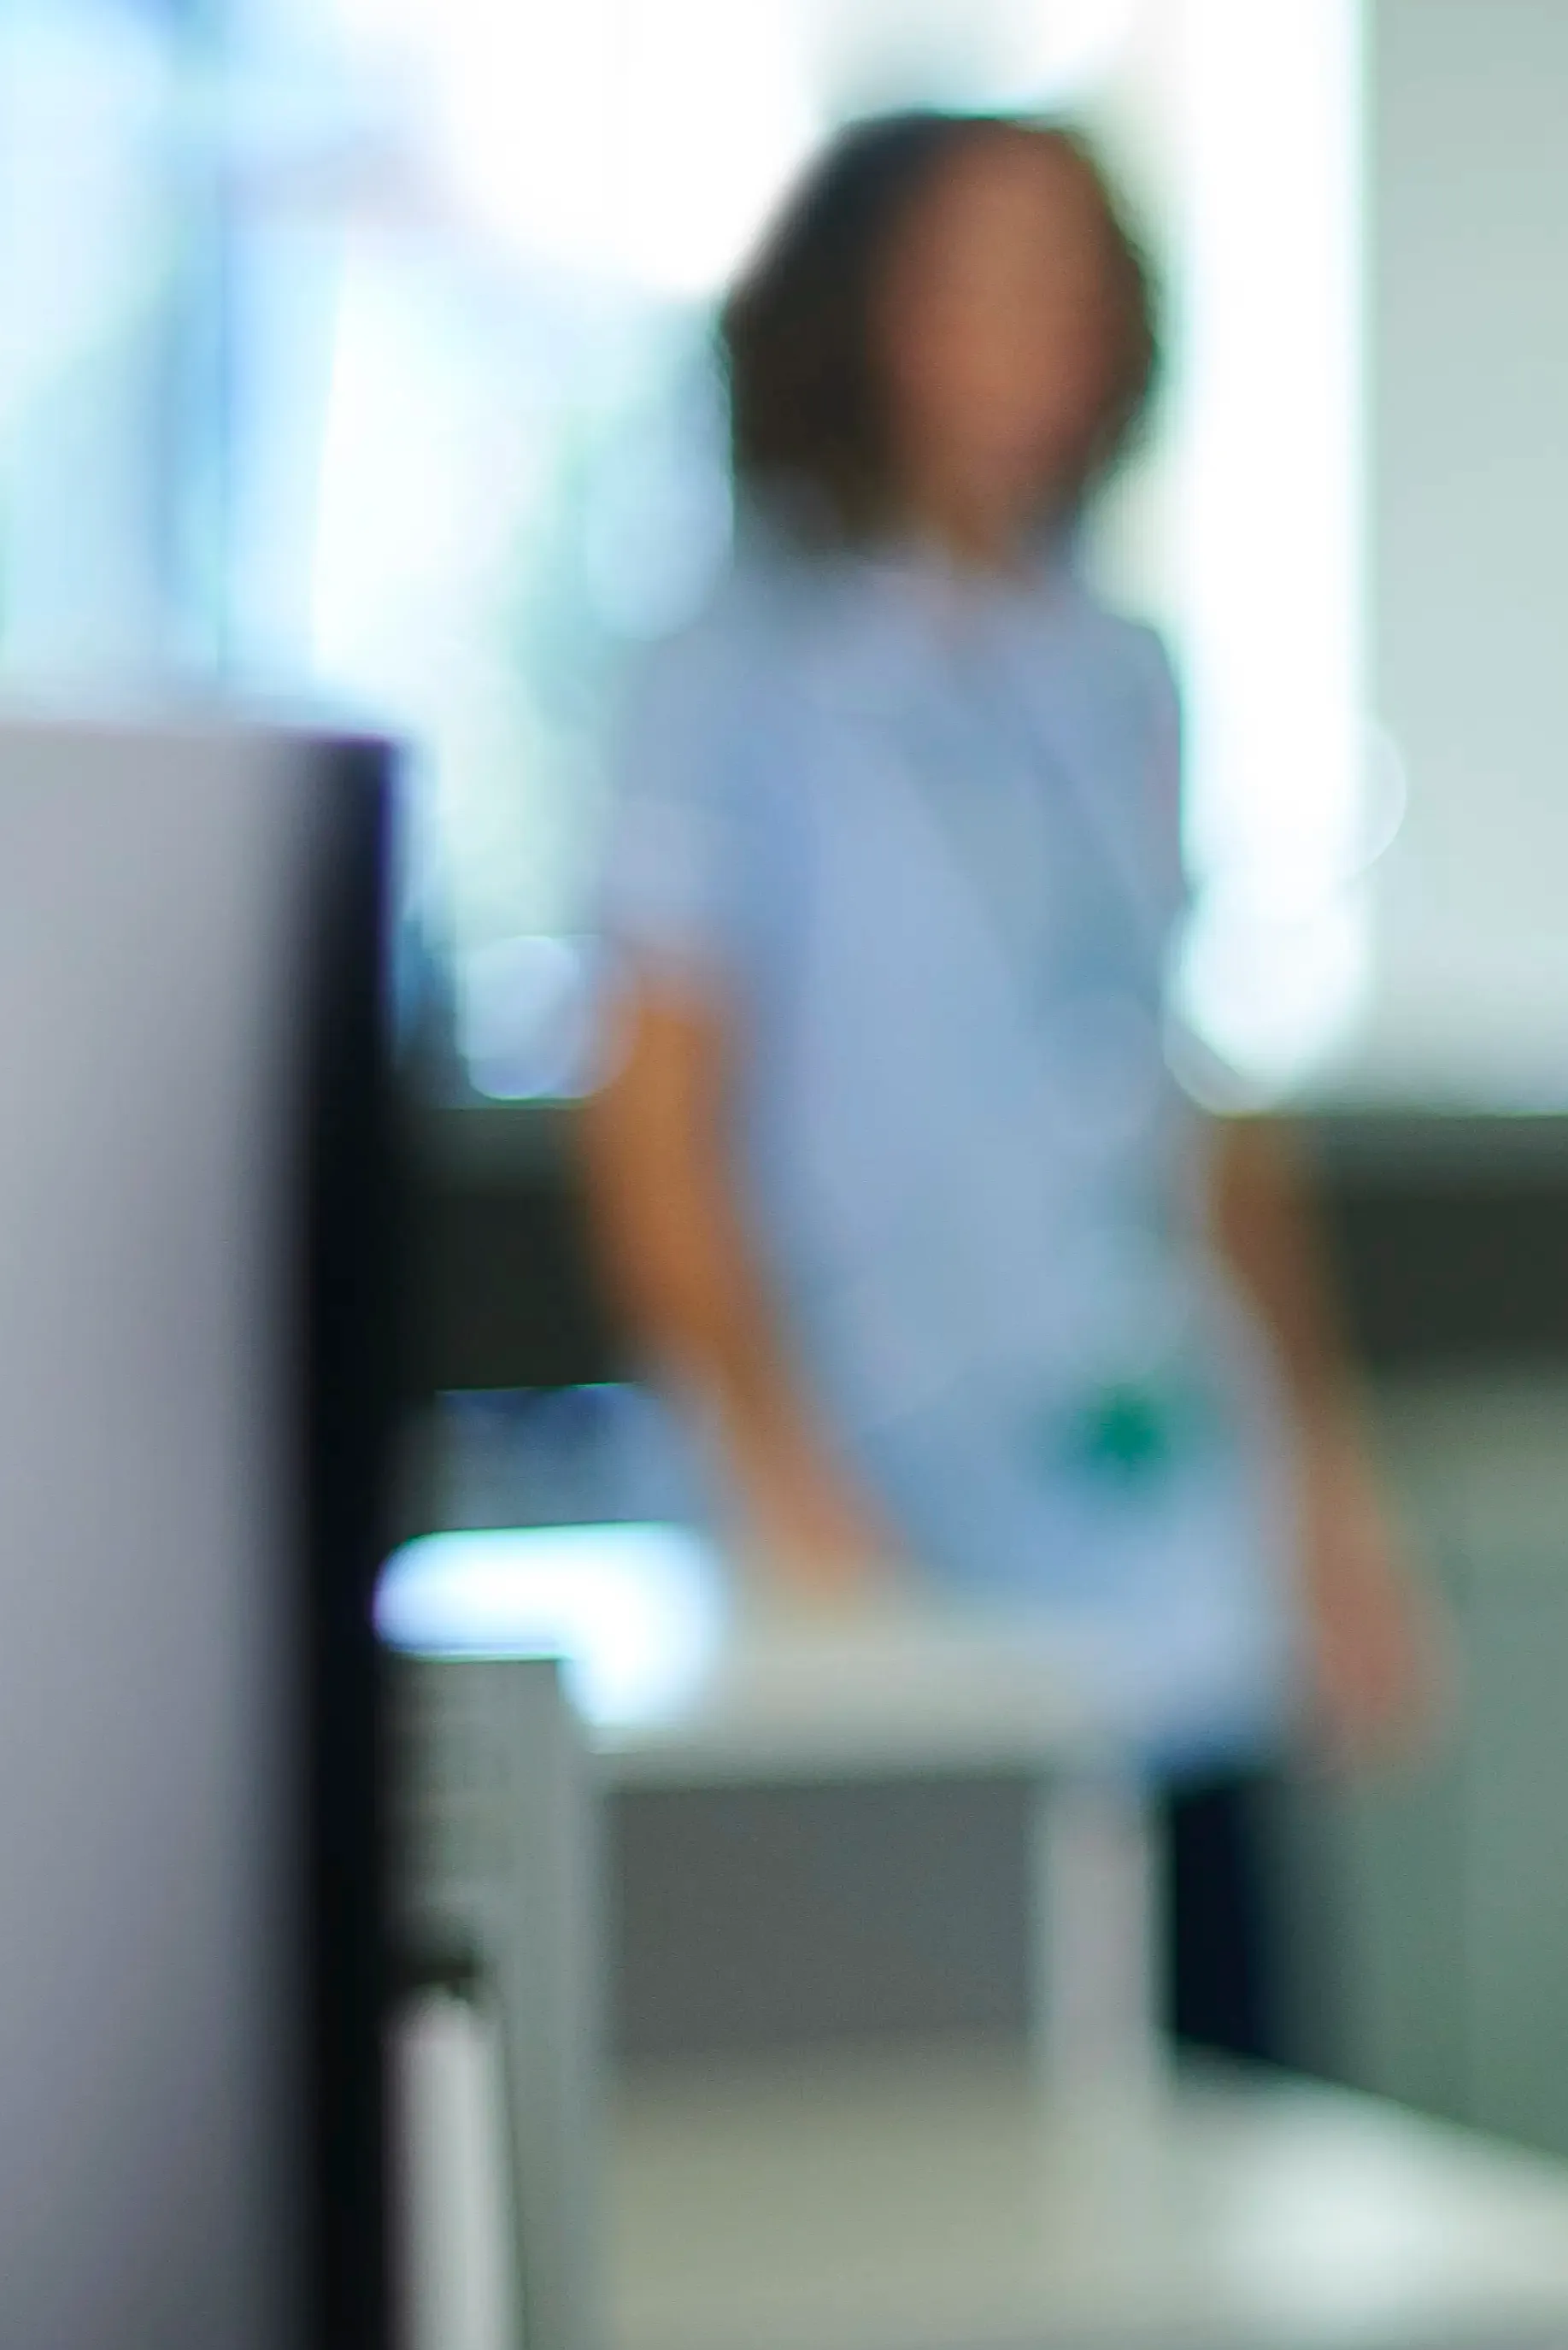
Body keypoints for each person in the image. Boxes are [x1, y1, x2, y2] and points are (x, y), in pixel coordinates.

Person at [579, 113, 1437, 2074]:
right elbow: (652, 1119)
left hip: (1150, 1513)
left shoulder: (1121, 674)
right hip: (872, 1510)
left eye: (1064, 282)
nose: (1023, 330)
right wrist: (799, 1496)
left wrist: (1322, 1488)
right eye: (969, 280)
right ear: (857, 317)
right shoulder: (736, 679)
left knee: (1231, 2091)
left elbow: (1189, 1103)